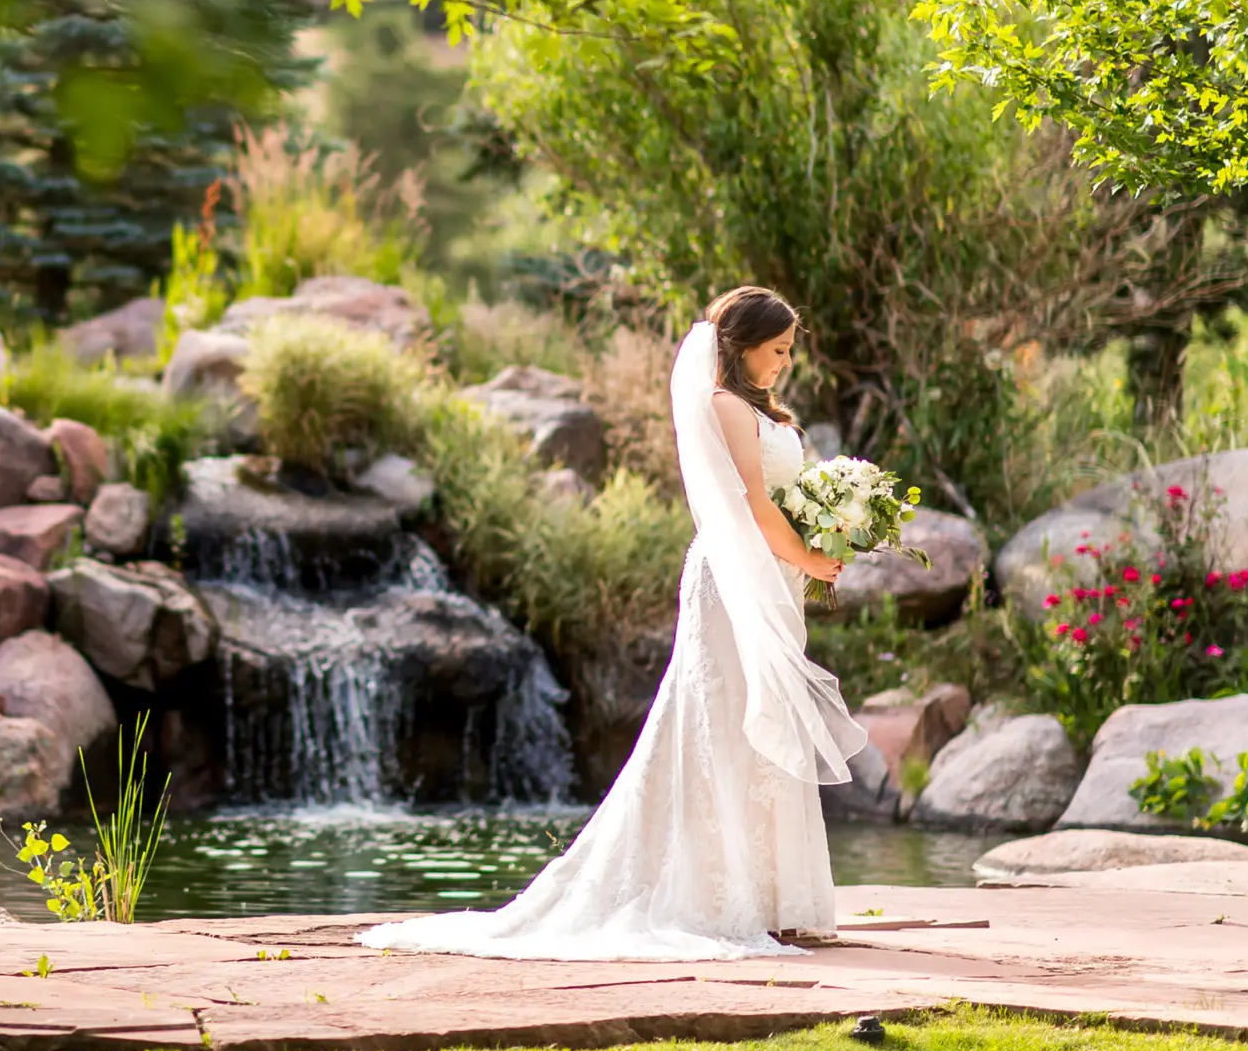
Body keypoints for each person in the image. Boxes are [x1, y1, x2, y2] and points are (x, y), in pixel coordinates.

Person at [357, 286, 867, 961]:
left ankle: (777, 897)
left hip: (771, 575)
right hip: (734, 573)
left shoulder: (764, 411)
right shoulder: (723, 406)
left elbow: (779, 498)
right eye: (777, 349)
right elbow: (746, 500)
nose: (785, 361)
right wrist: (809, 553)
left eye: (790, 349)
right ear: (740, 346)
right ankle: (717, 895)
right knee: (723, 721)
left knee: (762, 721)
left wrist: (827, 528)